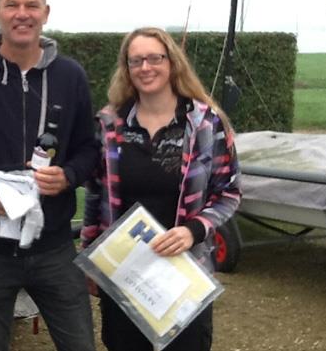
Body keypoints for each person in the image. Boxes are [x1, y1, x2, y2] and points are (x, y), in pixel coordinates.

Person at [0, 0, 97, 351]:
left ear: (46, 12)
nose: (22, 13)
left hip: (55, 248)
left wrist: (67, 176)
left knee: (80, 343)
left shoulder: (71, 76)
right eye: (12, 4)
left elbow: (89, 149)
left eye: (32, 5)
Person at [81, 27, 241, 351]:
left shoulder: (205, 125)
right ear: (126, 68)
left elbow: (229, 192)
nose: (145, 67)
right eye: (135, 60)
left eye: (155, 58)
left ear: (172, 63)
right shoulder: (109, 125)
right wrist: (91, 257)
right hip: (125, 273)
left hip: (184, 273)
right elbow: (95, 195)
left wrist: (194, 230)